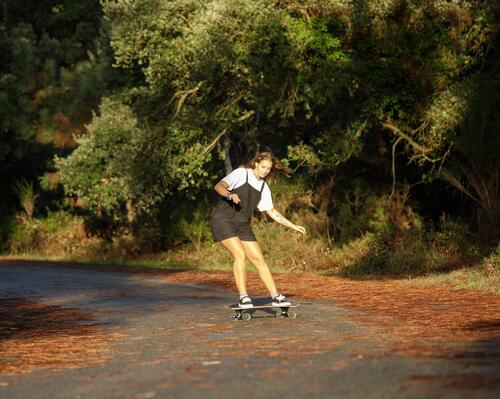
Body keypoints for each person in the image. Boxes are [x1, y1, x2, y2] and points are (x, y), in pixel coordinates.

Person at [210, 152, 306, 309]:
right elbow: (219, 186)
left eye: (268, 169)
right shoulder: (241, 173)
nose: (265, 171)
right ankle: (244, 297)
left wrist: (293, 225)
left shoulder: (263, 187)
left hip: (242, 224)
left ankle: (275, 296)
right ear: (255, 164)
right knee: (240, 255)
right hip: (223, 220)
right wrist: (229, 194)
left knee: (259, 260)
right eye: (263, 167)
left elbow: (272, 212)